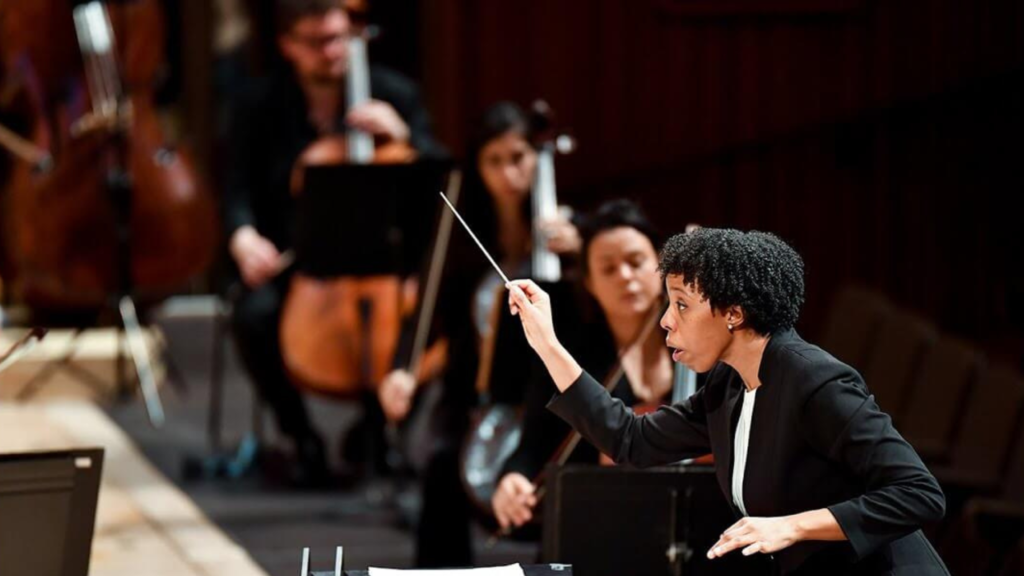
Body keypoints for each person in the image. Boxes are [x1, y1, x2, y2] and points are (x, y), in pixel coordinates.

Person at [506, 228, 949, 575]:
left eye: (681, 305)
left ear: (734, 313)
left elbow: (919, 494)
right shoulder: (729, 385)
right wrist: (548, 344)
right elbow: (631, 440)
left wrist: (791, 525)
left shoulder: (816, 381)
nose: (665, 321)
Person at [222, 0, 443, 485]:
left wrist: (407, 138)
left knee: (428, 320)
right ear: (288, 46)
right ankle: (303, 439)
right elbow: (235, 186)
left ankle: (377, 430)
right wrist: (242, 237)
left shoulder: (394, 94)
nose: (334, 51)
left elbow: (441, 180)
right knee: (253, 316)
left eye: (341, 37)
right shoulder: (259, 105)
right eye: (318, 42)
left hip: (386, 260)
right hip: (302, 264)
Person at [374, 101, 578, 567]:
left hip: (552, 396)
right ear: (477, 166)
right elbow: (425, 314)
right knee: (441, 458)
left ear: (537, 157)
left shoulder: (564, 230)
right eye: (495, 161)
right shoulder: (460, 235)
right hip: (474, 392)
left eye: (519, 157)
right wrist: (401, 371)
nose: (510, 173)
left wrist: (579, 249)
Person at [491, 199, 672, 532]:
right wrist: (512, 477)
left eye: (636, 262)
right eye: (608, 268)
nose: (625, 276)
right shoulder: (570, 356)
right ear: (588, 282)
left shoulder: (696, 345)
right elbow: (534, 441)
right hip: (595, 521)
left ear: (661, 266)